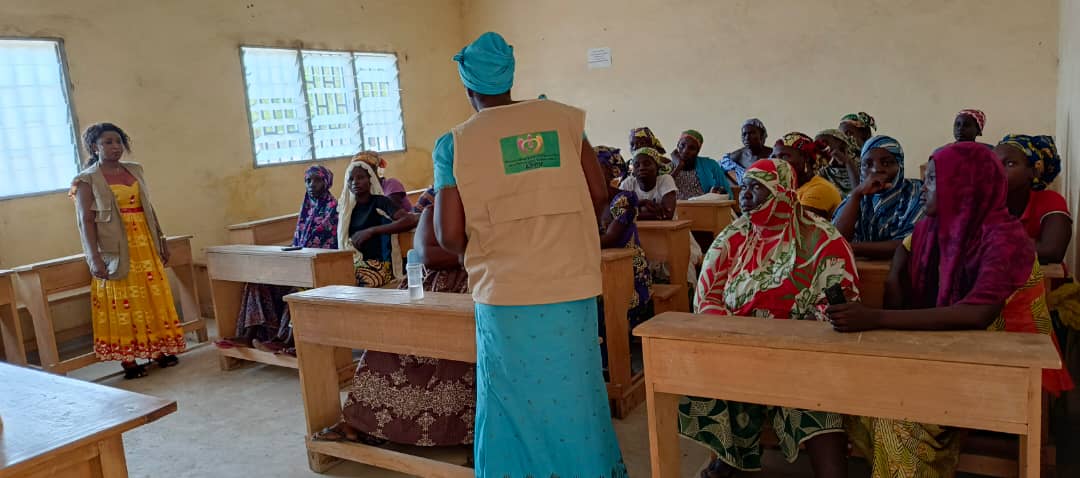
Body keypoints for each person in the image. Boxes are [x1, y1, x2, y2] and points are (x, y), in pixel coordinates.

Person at [431, 32, 626, 476]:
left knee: (511, 399)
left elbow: (448, 233)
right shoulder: (561, 120)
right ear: (510, 76)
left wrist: (481, 249)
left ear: (468, 85)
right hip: (571, 283)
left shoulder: (455, 144)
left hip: (505, 293)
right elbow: (599, 193)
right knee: (575, 392)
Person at [826, 142, 1073, 478]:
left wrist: (875, 318)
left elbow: (977, 314)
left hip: (1007, 362)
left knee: (895, 415)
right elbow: (903, 256)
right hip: (951, 349)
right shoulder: (930, 229)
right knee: (858, 398)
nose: (922, 188)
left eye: (932, 179)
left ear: (964, 185)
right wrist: (897, 272)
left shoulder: (1004, 238)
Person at [680, 158, 858, 478]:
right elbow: (707, 295)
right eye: (744, 186)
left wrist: (789, 338)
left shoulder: (821, 239)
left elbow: (841, 302)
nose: (746, 195)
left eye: (757, 188)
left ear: (782, 192)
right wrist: (735, 336)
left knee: (816, 395)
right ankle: (731, 462)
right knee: (718, 377)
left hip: (802, 351)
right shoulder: (733, 236)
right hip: (738, 347)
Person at [312, 204, 476, 451]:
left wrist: (472, 254)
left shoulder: (487, 208)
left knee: (466, 353)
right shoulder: (433, 211)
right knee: (387, 345)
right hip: (428, 289)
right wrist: (479, 253)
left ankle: (467, 434)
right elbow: (427, 254)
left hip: (475, 288)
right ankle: (365, 424)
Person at [71, 123, 185, 379]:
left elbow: (149, 208)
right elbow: (85, 221)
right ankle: (129, 360)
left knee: (151, 297)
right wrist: (94, 258)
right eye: (108, 142)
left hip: (145, 243)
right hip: (115, 248)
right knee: (123, 302)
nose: (115, 147)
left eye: (118, 142)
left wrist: (161, 239)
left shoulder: (135, 170)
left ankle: (158, 350)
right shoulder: (86, 179)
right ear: (95, 147)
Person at [216, 165, 340, 354]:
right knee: (257, 284)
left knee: (297, 291)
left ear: (327, 182)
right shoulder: (306, 210)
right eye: (308, 181)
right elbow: (299, 243)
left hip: (321, 271)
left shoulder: (334, 210)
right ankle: (248, 335)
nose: (311, 184)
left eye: (317, 180)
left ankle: (284, 340)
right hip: (298, 266)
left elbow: (331, 247)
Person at [833, 136, 925, 259]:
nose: (876, 169)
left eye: (886, 163)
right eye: (867, 164)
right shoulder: (858, 197)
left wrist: (850, 247)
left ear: (900, 166)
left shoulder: (916, 193)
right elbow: (836, 237)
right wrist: (856, 195)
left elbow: (908, 244)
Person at [339, 151, 417, 288]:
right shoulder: (347, 211)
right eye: (351, 179)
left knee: (354, 279)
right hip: (355, 261)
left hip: (381, 264)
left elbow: (410, 220)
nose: (355, 182)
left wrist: (372, 231)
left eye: (360, 177)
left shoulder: (380, 202)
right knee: (332, 275)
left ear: (371, 179)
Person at [597, 146, 652, 324]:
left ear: (611, 172)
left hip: (629, 271)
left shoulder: (624, 199)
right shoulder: (583, 201)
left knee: (602, 307)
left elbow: (610, 239)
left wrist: (574, 244)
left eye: (596, 168)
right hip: (600, 268)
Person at [996, 134, 1071, 264]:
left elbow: (1052, 252)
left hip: (1043, 277)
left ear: (1034, 172)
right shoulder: (982, 203)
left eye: (1010, 163)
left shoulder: (1049, 200)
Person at [772, 132, 842, 219]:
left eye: (784, 156)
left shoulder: (820, 189)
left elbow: (797, 224)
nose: (777, 162)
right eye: (774, 157)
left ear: (806, 157)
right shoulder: (788, 187)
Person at [670, 130, 731, 200]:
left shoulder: (710, 165)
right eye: (682, 145)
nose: (685, 151)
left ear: (698, 151)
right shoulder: (667, 167)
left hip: (704, 206)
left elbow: (727, 195)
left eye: (692, 148)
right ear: (677, 145)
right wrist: (678, 166)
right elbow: (662, 189)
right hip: (676, 207)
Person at [619, 147, 678, 220]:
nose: (641, 168)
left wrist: (631, 213)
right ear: (633, 170)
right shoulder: (628, 183)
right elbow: (617, 212)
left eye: (647, 164)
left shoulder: (665, 180)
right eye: (637, 165)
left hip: (666, 227)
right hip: (636, 227)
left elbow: (667, 214)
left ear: (657, 167)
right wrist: (643, 202)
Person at [720, 118, 771, 184]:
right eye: (744, 134)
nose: (747, 138)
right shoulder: (735, 157)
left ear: (761, 135)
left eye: (752, 133)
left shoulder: (772, 155)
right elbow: (719, 170)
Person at [815, 129, 860, 197]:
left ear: (841, 143)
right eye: (818, 146)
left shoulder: (861, 164)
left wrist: (848, 162)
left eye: (824, 142)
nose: (821, 148)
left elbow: (859, 191)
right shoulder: (823, 172)